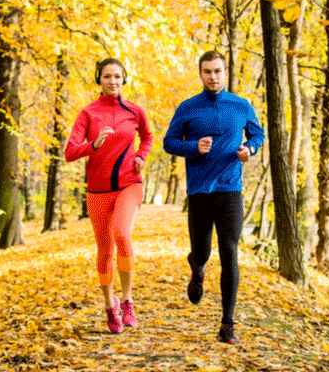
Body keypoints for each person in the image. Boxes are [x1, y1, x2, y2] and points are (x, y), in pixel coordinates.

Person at [163, 50, 265, 344]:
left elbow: (258, 135)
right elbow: (170, 142)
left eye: (218, 71)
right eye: (207, 72)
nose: (213, 77)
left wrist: (250, 149)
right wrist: (194, 147)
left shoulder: (241, 105)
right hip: (199, 191)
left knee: (230, 253)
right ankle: (197, 268)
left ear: (225, 73)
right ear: (201, 74)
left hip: (230, 189)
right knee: (203, 252)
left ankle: (228, 323)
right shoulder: (188, 107)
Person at [65, 57, 153, 334]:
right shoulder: (88, 114)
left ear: (124, 79)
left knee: (122, 234)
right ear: (99, 79)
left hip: (129, 183)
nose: (112, 81)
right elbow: (69, 152)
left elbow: (148, 137)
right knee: (104, 251)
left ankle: (127, 300)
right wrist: (94, 144)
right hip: (98, 191)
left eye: (117, 76)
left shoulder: (134, 111)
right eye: (107, 76)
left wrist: (140, 155)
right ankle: (109, 306)